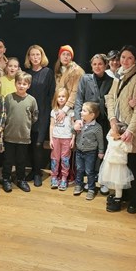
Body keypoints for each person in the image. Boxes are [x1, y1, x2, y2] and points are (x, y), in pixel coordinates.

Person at [104, 45, 136, 214]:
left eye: (129, 58)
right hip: (117, 128)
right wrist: (112, 119)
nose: (125, 61)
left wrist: (131, 131)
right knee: (118, 164)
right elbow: (110, 99)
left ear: (135, 60)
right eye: (123, 57)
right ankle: (122, 195)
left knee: (132, 166)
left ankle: (135, 199)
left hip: (130, 130)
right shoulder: (118, 76)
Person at [74, 54, 113, 195]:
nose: (97, 66)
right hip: (87, 120)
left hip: (104, 121)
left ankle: (102, 180)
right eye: (94, 64)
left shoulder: (112, 80)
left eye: (100, 64)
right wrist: (78, 118)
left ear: (105, 65)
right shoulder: (85, 79)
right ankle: (87, 181)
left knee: (103, 151)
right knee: (88, 150)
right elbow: (78, 99)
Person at [24, 45, 56, 187]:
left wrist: (51, 114)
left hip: (42, 113)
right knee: (29, 145)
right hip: (27, 114)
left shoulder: (47, 72)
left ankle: (38, 173)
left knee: (38, 144)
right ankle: (32, 170)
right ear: (29, 57)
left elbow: (51, 94)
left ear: (42, 56)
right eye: (32, 55)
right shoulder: (26, 73)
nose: (35, 57)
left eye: (38, 54)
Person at [2, 72, 38, 193]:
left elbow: (34, 116)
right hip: (9, 136)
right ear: (15, 83)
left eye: (24, 84)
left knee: (21, 160)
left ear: (29, 85)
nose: (21, 86)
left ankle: (21, 179)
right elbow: (3, 115)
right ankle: (6, 179)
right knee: (7, 160)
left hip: (24, 137)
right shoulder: (8, 98)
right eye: (19, 83)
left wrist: (26, 126)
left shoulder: (32, 100)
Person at [54, 45, 85, 185]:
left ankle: (68, 176)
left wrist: (64, 109)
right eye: (63, 54)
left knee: (67, 145)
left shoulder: (76, 71)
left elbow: (74, 92)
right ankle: (57, 175)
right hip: (59, 107)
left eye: (68, 54)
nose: (66, 57)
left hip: (69, 109)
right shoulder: (60, 70)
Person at [73, 102, 105, 201]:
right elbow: (72, 131)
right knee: (79, 169)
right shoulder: (79, 123)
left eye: (84, 111)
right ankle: (79, 184)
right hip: (79, 151)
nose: (81, 112)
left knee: (89, 171)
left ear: (92, 115)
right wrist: (75, 128)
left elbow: (100, 140)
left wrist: (101, 151)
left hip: (90, 153)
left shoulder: (97, 128)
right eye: (81, 110)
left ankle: (91, 188)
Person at [49, 87, 75, 191]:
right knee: (55, 159)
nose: (61, 99)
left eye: (63, 96)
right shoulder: (53, 111)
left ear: (67, 98)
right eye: (59, 96)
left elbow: (73, 126)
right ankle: (54, 177)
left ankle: (64, 178)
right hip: (55, 138)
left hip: (67, 138)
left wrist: (73, 139)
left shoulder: (71, 112)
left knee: (65, 159)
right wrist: (50, 139)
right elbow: (51, 126)